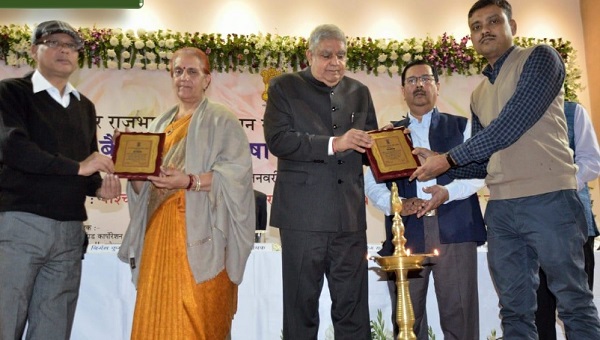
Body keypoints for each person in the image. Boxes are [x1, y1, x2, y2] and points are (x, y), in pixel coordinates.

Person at [409, 0, 600, 338]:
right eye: (476, 26)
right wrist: (444, 184)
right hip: (500, 208)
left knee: (573, 301)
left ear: (513, 25)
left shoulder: (540, 58)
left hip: (549, 199)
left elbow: (511, 124)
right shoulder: (480, 92)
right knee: (514, 310)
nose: (485, 30)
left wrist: (447, 159)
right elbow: (482, 161)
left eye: (493, 21)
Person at [117, 47, 255, 340]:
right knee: (158, 317)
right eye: (178, 71)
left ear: (207, 79)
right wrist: (132, 170)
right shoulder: (159, 125)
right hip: (159, 234)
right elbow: (145, 191)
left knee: (198, 319)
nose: (184, 78)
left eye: (192, 71)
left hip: (203, 235)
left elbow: (237, 177)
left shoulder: (222, 120)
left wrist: (189, 181)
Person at [0, 20, 121, 340]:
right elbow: (13, 147)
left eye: (71, 46)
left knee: (54, 328)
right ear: (33, 50)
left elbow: (87, 165)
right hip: (21, 223)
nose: (64, 50)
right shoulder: (10, 92)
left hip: (69, 231)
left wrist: (99, 186)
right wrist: (77, 168)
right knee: (4, 317)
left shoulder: (85, 106)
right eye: (53, 42)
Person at [263, 24, 378, 340]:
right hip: (302, 219)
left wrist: (396, 148)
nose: (335, 63)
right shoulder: (284, 87)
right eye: (326, 55)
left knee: (353, 310)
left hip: (350, 221)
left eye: (341, 55)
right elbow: (279, 140)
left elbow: (371, 153)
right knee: (301, 311)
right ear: (309, 55)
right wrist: (334, 143)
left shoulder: (359, 92)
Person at [365, 60, 486, 340]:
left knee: (461, 317)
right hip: (405, 234)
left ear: (438, 86)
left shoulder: (463, 127)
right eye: (412, 81)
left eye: (426, 79)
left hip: (455, 229)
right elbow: (370, 182)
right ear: (402, 91)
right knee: (408, 319)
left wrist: (447, 193)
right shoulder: (388, 134)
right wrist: (396, 205)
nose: (419, 85)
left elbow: (481, 173)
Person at [535, 101, 600, 339]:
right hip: (530, 226)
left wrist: (561, 183)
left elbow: (592, 162)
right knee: (538, 312)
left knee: (576, 306)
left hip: (573, 224)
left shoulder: (572, 112)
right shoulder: (513, 113)